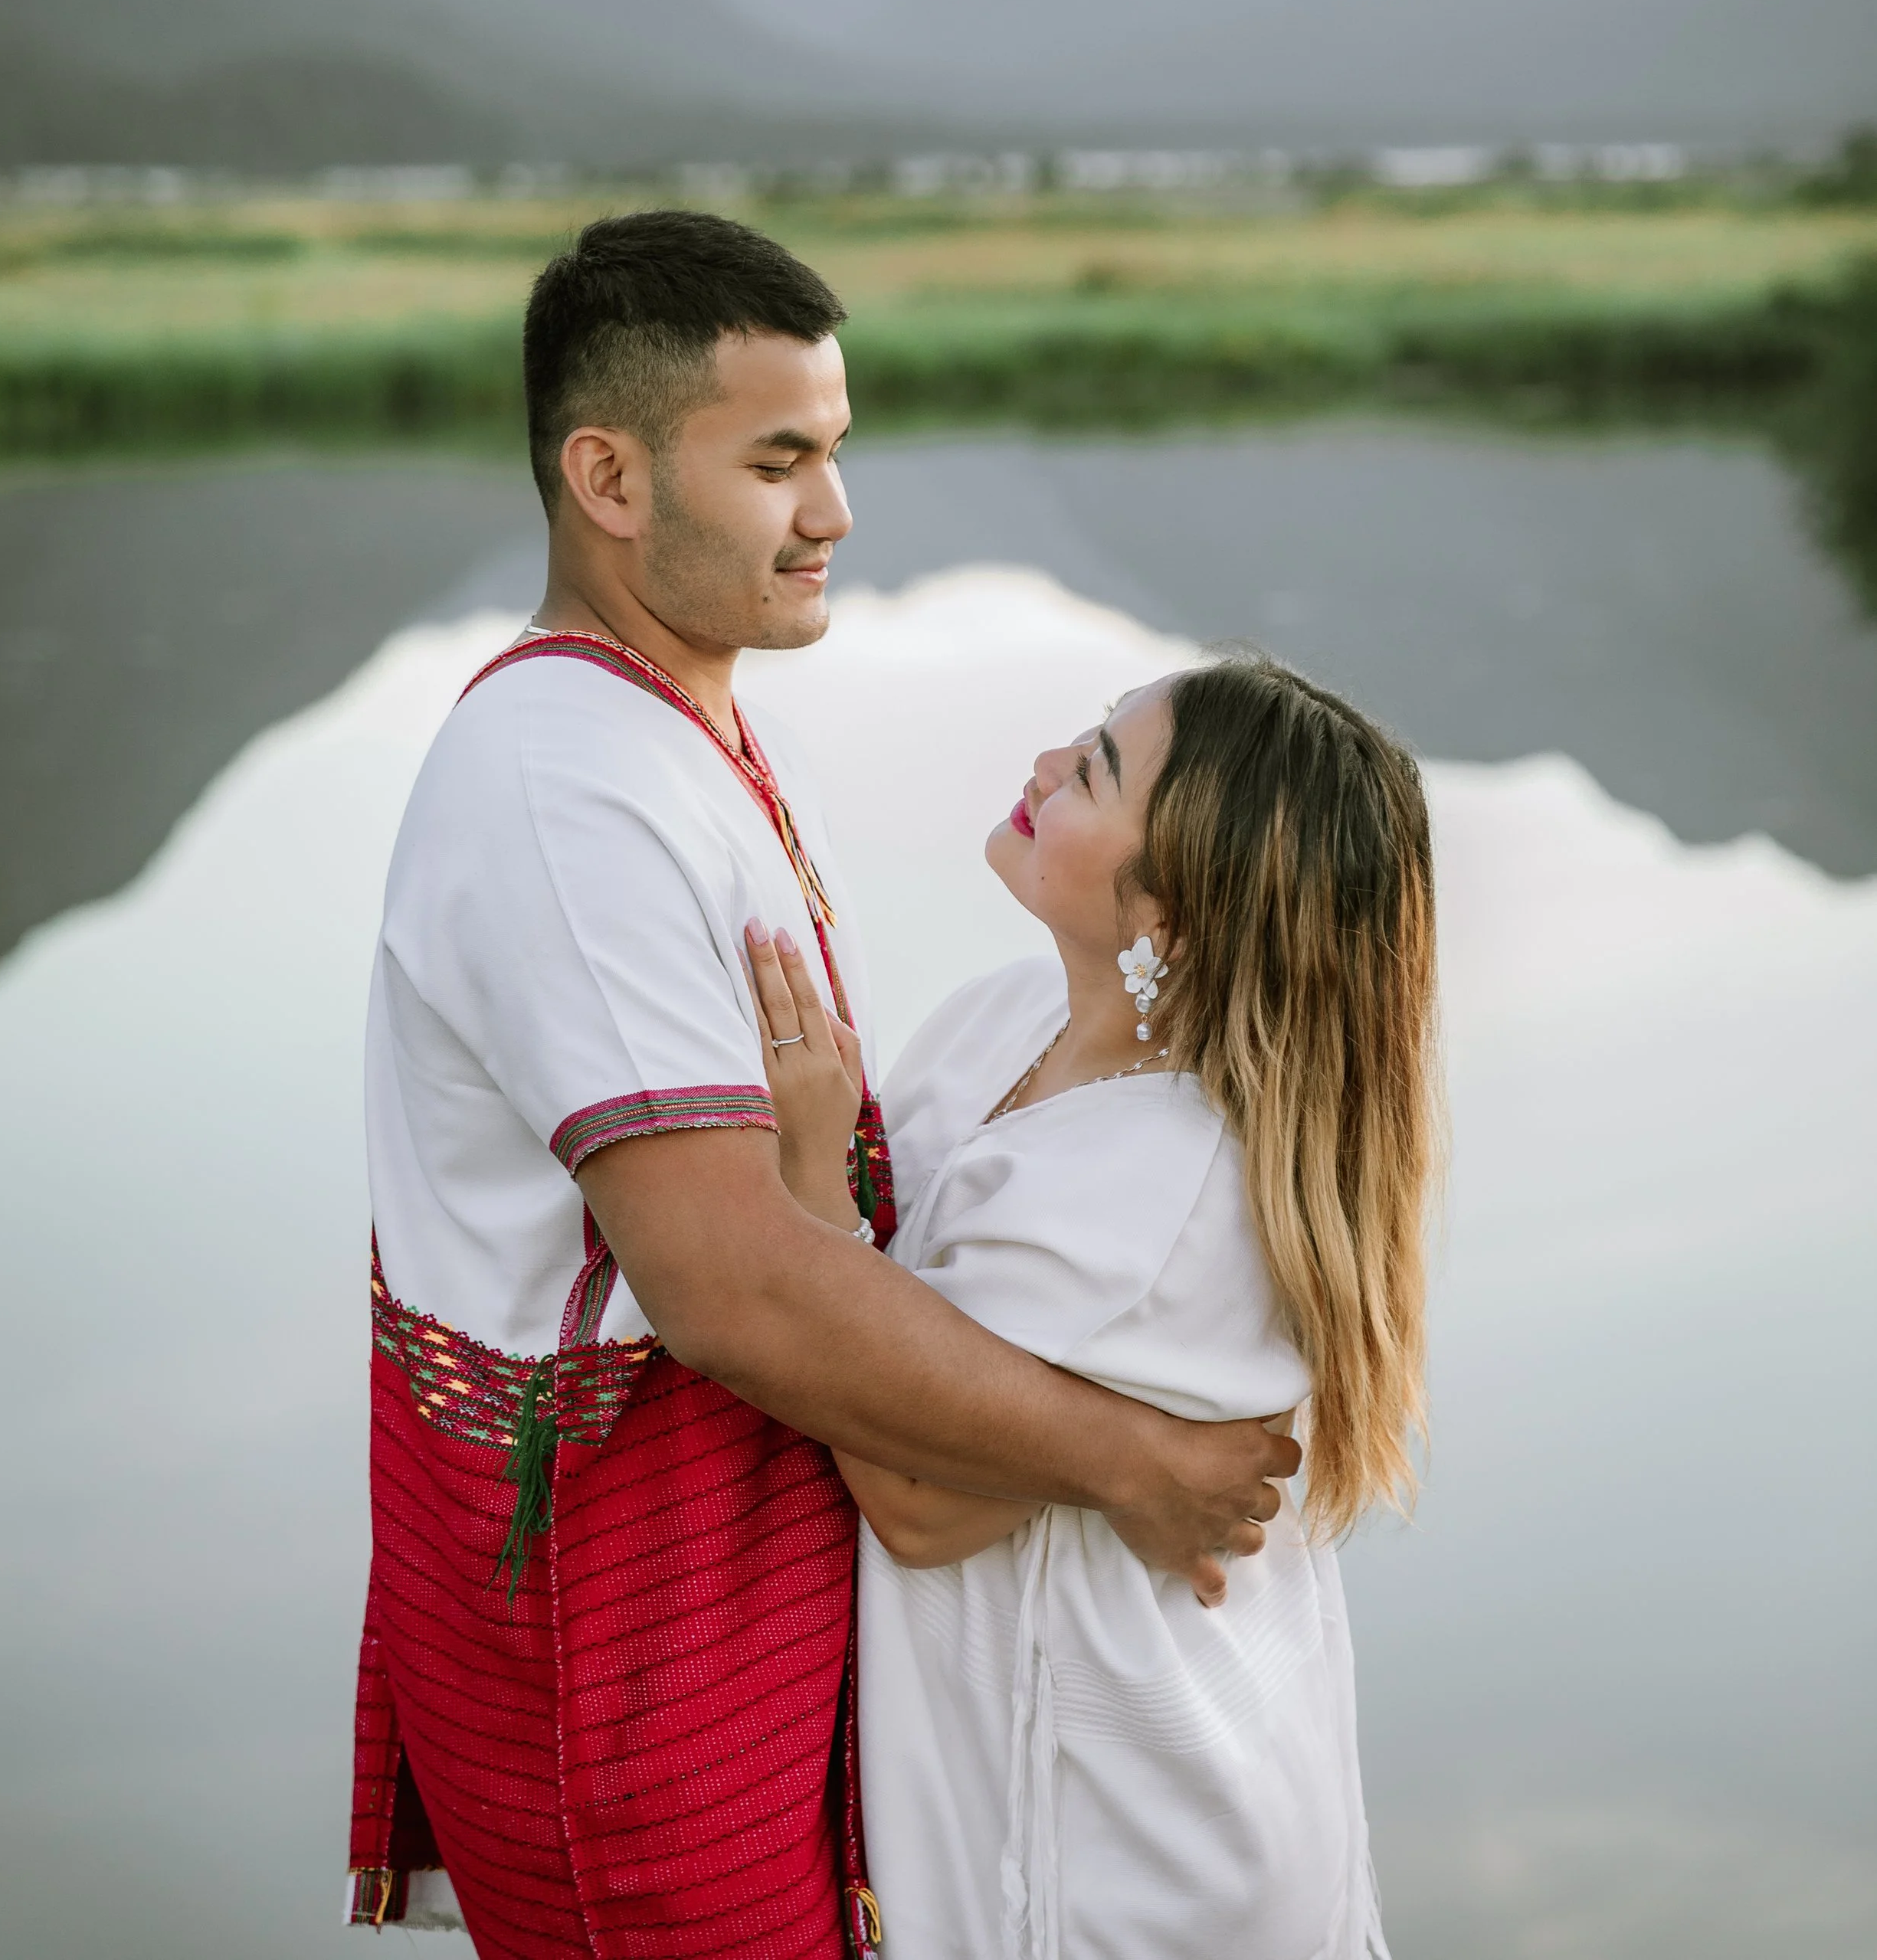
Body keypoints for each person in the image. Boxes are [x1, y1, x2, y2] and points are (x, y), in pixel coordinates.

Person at [346, 209, 1300, 1960]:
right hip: (631, 1665)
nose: (836, 512)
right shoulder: (566, 788)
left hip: (733, 1620)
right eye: (777, 462)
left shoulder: (677, 731)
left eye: (835, 451)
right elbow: (726, 1284)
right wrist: (1133, 1460)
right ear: (608, 477)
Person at [748, 650, 1440, 1958]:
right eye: (1087, 735)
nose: (1043, 766)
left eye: (1095, 772)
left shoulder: (1162, 1183)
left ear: (1168, 916)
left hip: (1131, 1848)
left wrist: (808, 1178)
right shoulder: (1003, 1017)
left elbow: (916, 1497)